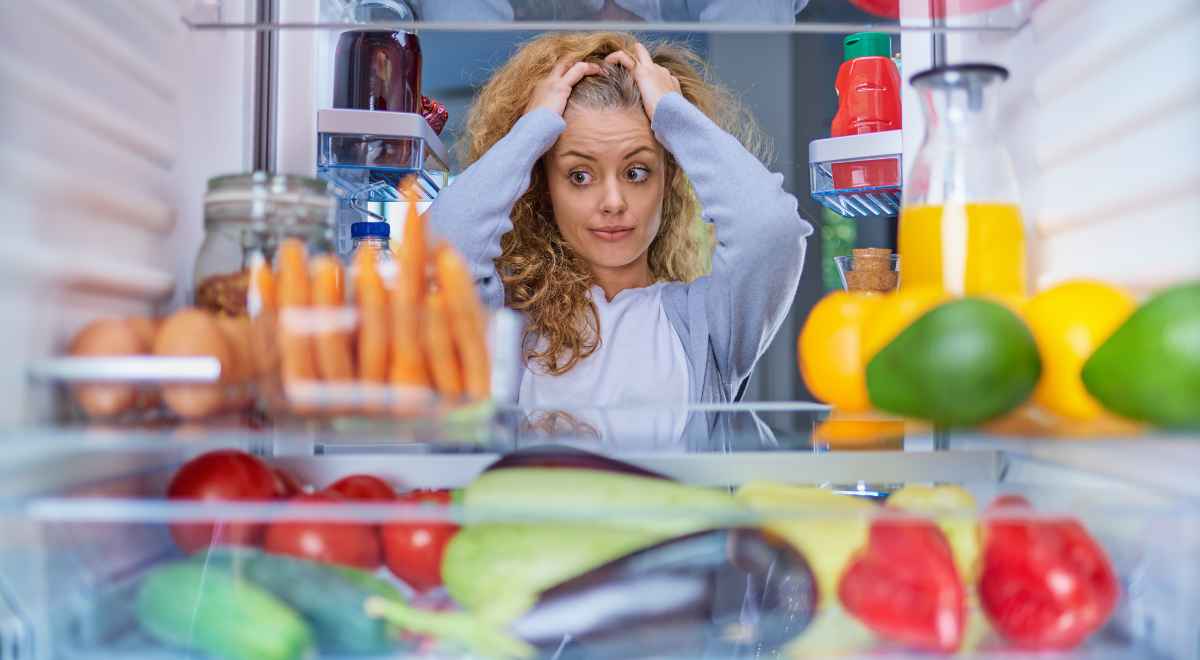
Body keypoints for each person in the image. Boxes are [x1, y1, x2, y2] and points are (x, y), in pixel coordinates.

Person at [429, 32, 811, 419]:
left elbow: (771, 229)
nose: (613, 202)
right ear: (544, 187)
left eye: (636, 171)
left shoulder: (707, 325)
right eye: (579, 175)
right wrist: (532, 131)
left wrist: (672, 113)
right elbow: (438, 248)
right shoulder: (510, 323)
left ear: (669, 177)